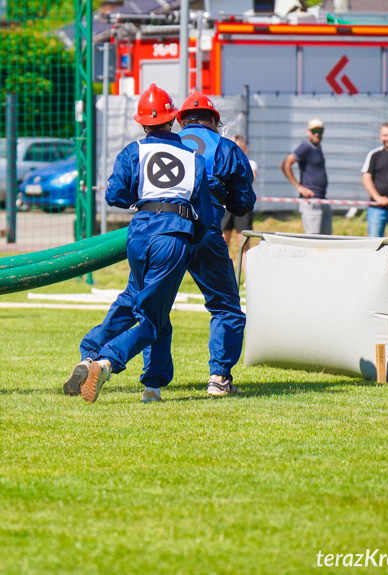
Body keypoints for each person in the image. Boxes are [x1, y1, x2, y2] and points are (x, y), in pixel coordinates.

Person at [61, 84, 214, 403]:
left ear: (143, 123)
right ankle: (106, 363)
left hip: (140, 233)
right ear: (173, 120)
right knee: (153, 315)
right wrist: (189, 240)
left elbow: (115, 194)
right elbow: (207, 215)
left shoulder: (134, 151)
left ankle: (96, 356)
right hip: (173, 235)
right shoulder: (193, 158)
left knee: (134, 298)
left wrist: (144, 200)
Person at [173, 93, 256, 396]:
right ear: (214, 121)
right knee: (226, 308)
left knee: (143, 305)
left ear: (180, 120)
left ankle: (99, 357)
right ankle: (219, 378)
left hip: (157, 232)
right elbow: (244, 200)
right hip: (204, 232)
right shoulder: (226, 148)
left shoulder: (162, 145)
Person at [280, 118, 331, 235]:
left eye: (320, 131)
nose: (317, 134)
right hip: (311, 202)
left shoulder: (317, 146)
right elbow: (285, 164)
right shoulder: (305, 147)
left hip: (322, 198)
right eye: (314, 131)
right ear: (308, 132)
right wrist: (299, 187)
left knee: (327, 240)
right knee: (313, 240)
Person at [221, 135, 257, 253]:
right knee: (223, 243)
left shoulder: (250, 164)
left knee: (244, 245)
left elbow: (250, 180)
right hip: (225, 207)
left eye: (240, 147)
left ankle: (246, 271)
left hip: (241, 204)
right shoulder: (225, 163)